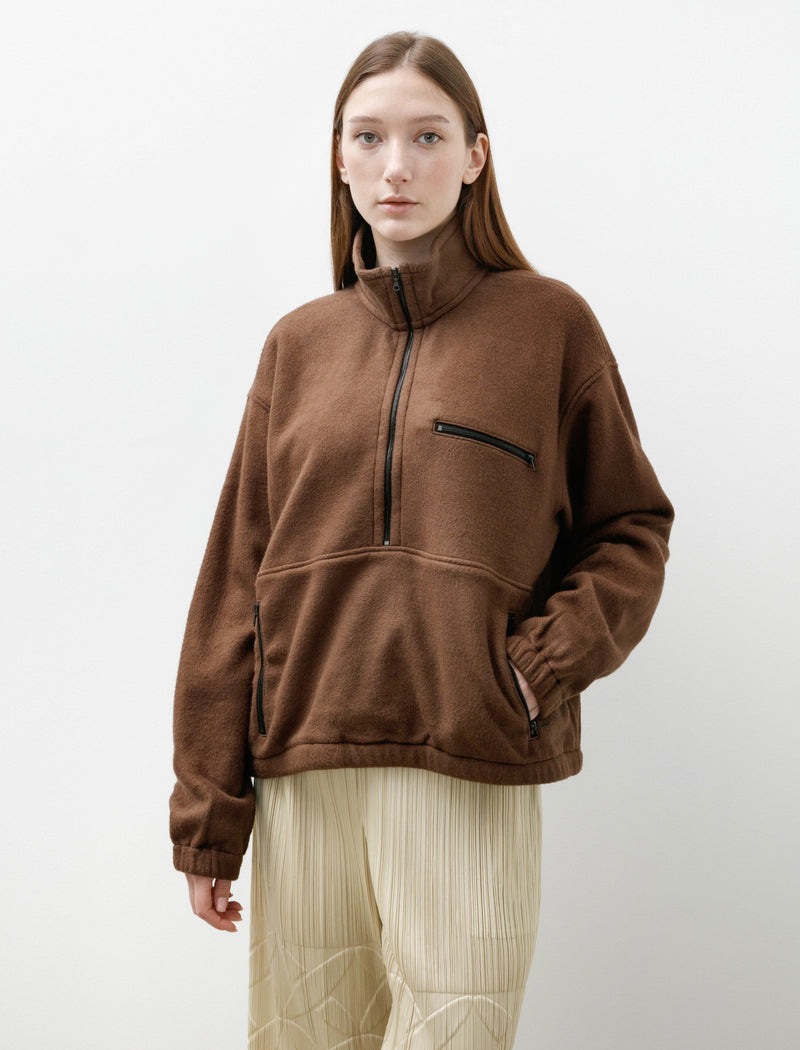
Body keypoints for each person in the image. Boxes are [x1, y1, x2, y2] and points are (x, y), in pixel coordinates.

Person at [169, 30, 674, 1050]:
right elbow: (235, 582)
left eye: (427, 136)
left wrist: (535, 670)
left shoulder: (549, 327)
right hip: (305, 771)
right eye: (369, 137)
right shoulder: (298, 346)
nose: (396, 165)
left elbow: (630, 529)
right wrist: (209, 814)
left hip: (467, 764)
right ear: (339, 158)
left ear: (475, 155)